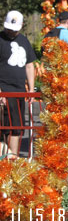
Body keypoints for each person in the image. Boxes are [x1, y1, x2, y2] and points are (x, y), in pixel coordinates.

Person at [0, 11, 35, 159]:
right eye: (9, 28)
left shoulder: (24, 41)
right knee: (4, 128)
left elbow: (29, 65)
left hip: (20, 91)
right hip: (4, 90)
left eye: (14, 29)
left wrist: (31, 90)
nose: (11, 31)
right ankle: (6, 159)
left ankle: (11, 160)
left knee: (16, 127)